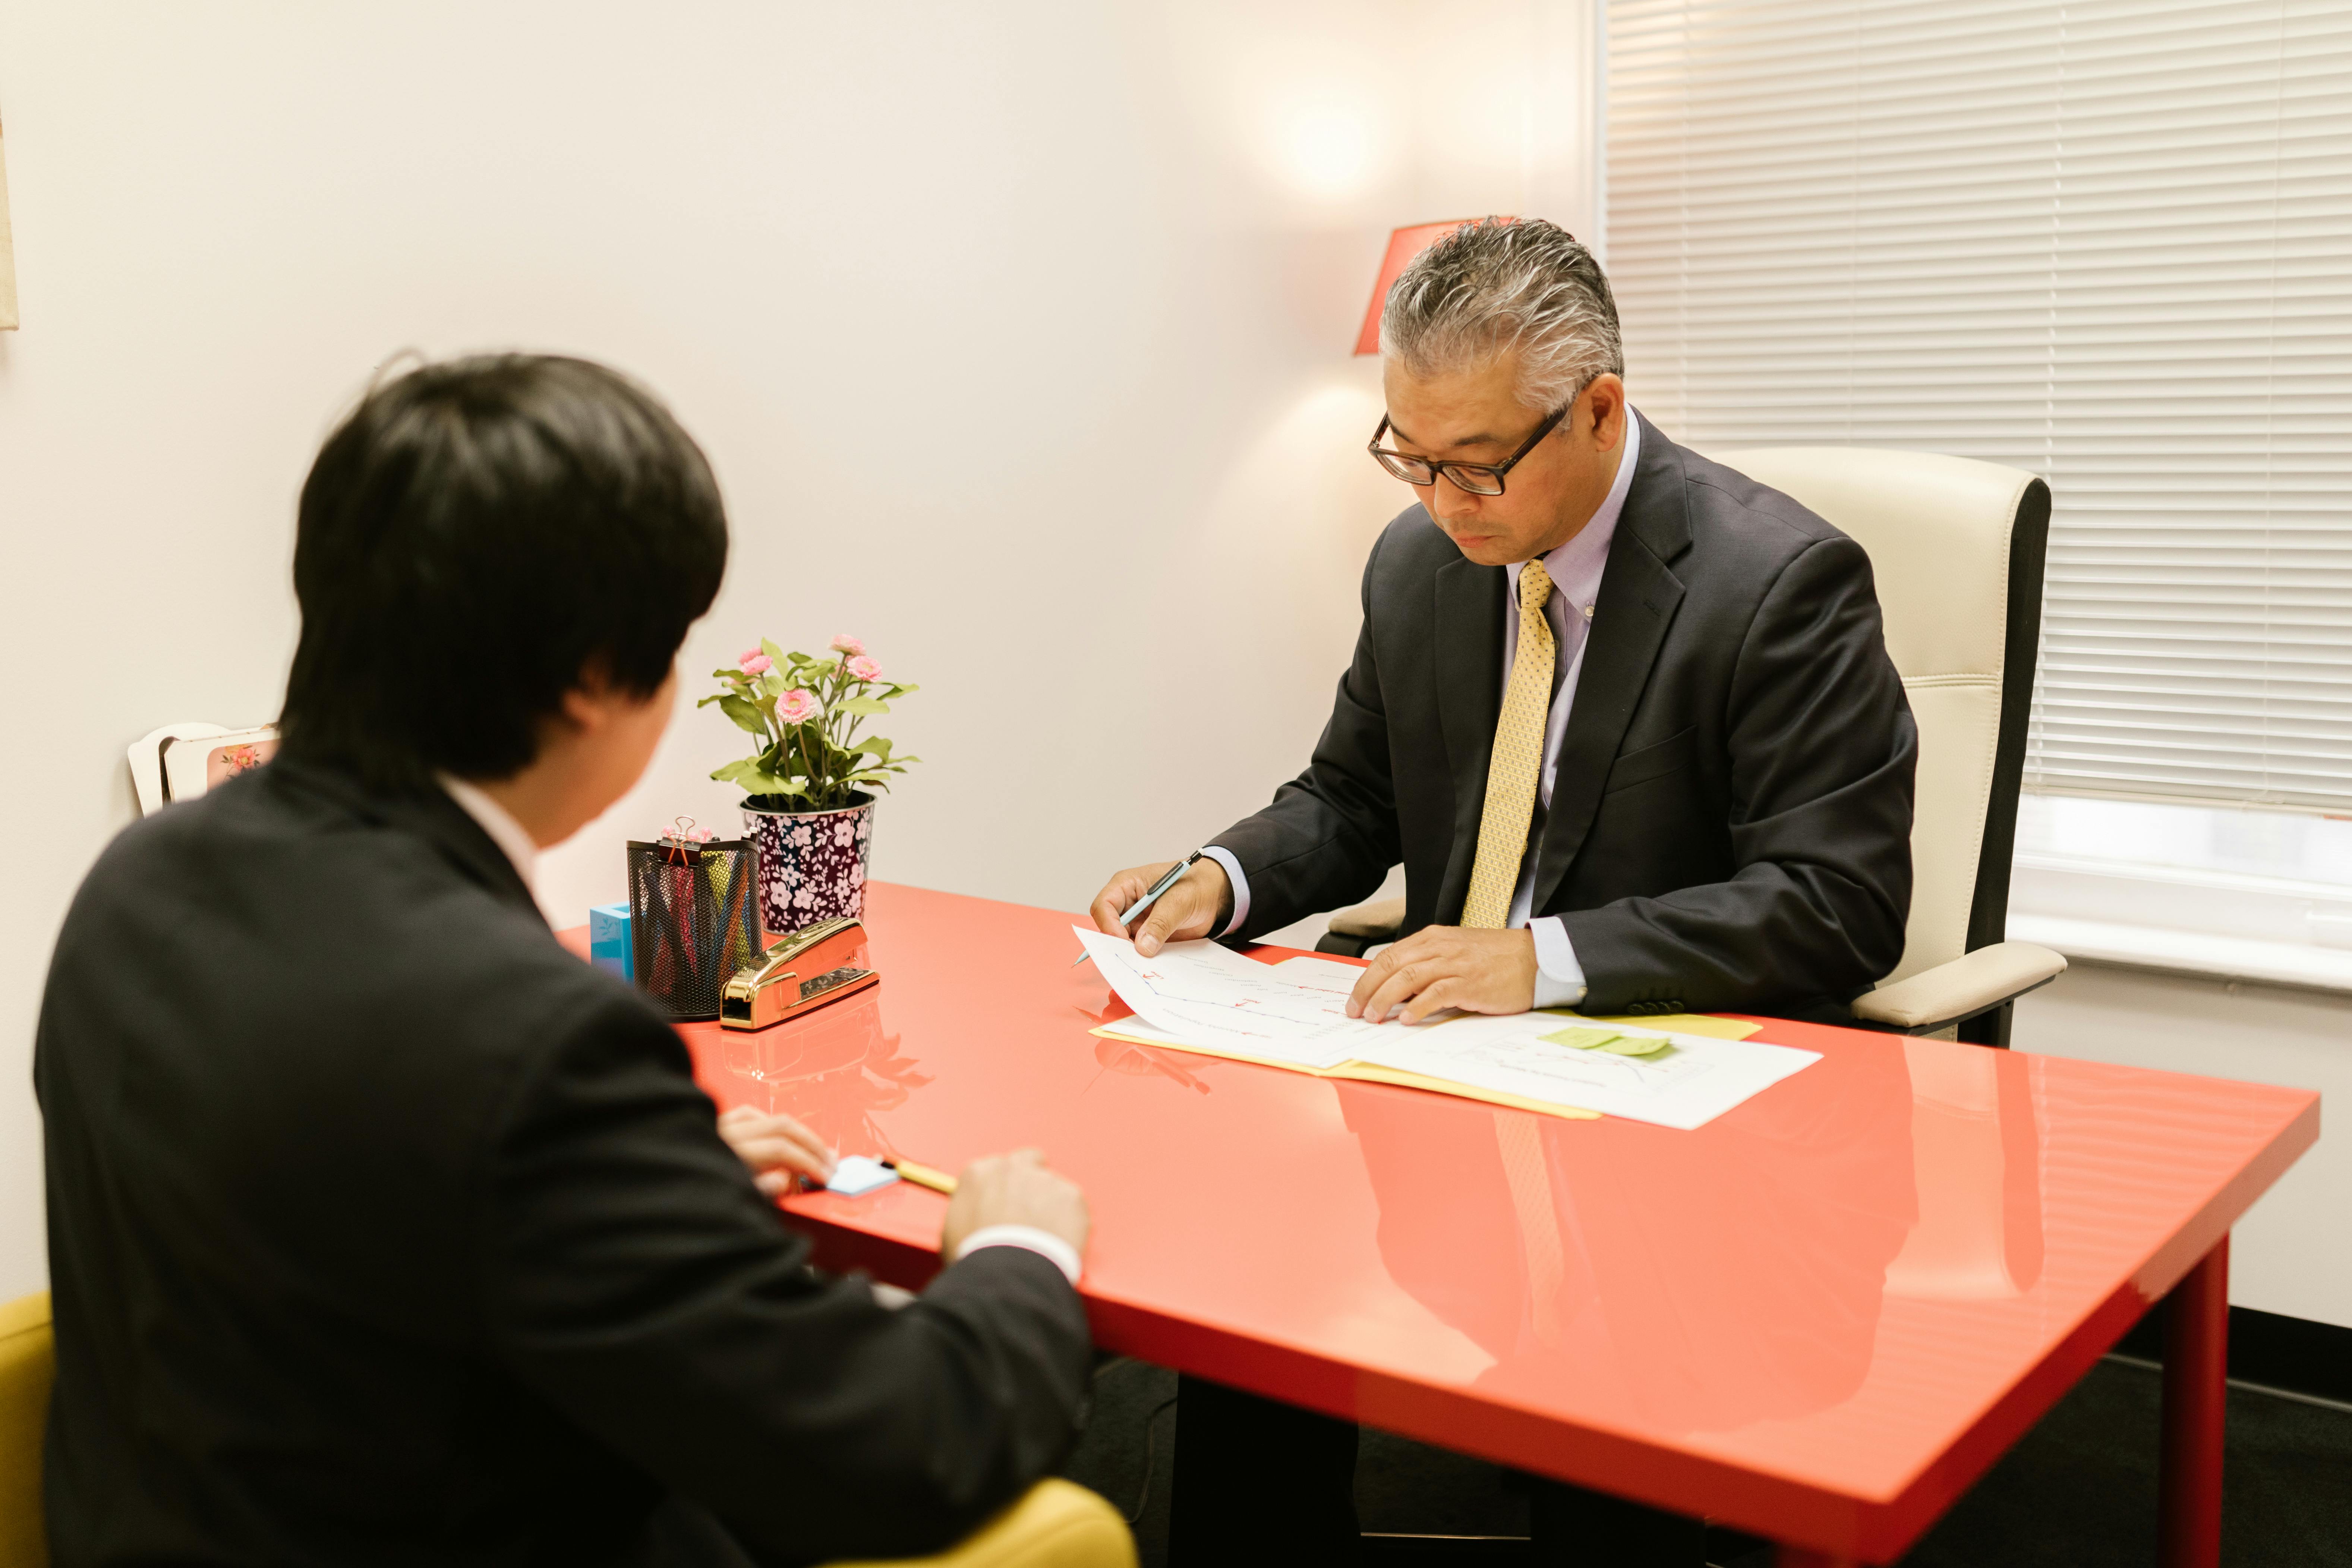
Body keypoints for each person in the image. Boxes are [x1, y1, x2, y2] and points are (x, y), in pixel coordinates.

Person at [37, 355, 1101, 1567]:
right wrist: (1020, 1251)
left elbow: (343, 1194)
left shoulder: (144, 879)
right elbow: (902, 1448)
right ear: (596, 679)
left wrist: (641, 1189)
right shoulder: (526, 1044)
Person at [1087, 219, 1915, 1564]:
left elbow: (1837, 901)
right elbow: (1351, 800)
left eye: (1475, 465)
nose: (1439, 501)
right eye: (1409, 459)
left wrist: (1537, 958)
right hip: (1451, 1070)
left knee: (1612, 1374)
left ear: (1598, 410)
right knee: (1243, 1296)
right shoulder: (1419, 564)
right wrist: (1222, 877)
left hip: (1661, 1080)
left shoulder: (1779, 582)